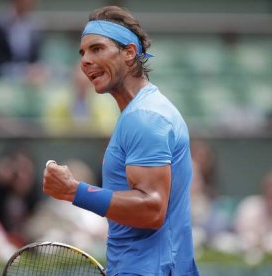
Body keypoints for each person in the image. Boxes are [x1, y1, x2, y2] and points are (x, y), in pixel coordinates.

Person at [43, 6, 200, 275]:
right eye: (82, 52)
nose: (85, 60)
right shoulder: (140, 112)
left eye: (97, 49)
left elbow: (151, 209)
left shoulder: (145, 117)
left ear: (129, 53)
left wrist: (73, 191)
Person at [0, 143, 41, 247]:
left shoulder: (35, 189)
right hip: (4, 238)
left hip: (29, 240)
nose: (21, 174)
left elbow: (35, 219)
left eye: (25, 169)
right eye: (17, 170)